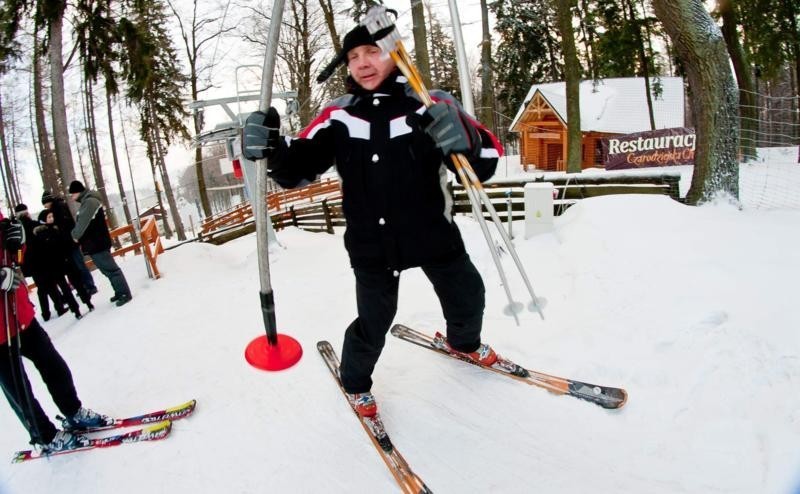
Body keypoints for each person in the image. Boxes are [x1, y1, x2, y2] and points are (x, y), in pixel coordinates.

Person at [243, 25, 503, 418]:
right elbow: (296, 170)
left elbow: (483, 164)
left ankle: (463, 343)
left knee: (468, 297)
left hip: (434, 233)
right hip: (372, 245)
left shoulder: (430, 103)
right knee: (374, 321)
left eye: (371, 51)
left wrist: (462, 139)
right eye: (353, 57)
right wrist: (273, 149)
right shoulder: (340, 115)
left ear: (394, 54)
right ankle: (355, 382)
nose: (362, 63)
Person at [0, 213, 112, 454]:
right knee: (20, 390)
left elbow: (17, 257)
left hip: (21, 317)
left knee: (54, 366)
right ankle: (44, 436)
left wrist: (19, 242)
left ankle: (73, 411)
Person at [68, 181, 132, 307]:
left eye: (72, 194)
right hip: (94, 243)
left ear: (77, 192)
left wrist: (75, 235)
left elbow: (83, 223)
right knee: (107, 270)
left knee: (111, 269)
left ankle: (125, 293)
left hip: (97, 242)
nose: (71, 197)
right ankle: (119, 291)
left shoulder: (89, 202)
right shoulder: (87, 202)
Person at [34, 209, 94, 318]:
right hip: (54, 265)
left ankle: (87, 302)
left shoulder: (57, 228)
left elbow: (66, 242)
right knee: (65, 288)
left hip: (66, 260)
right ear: (43, 220)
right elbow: (41, 253)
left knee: (77, 282)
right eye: (49, 217)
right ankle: (75, 310)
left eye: (52, 216)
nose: (51, 219)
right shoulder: (39, 235)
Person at [14, 204, 67, 320]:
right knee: (50, 284)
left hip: (30, 264)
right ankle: (59, 308)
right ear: (27, 213)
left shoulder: (17, 232)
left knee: (41, 287)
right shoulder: (35, 225)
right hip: (42, 260)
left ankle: (46, 313)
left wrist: (19, 261)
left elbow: (18, 250)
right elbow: (44, 242)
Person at [42, 191, 98, 296]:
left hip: (70, 241)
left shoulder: (58, 208)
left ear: (48, 201)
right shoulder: (58, 207)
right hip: (68, 242)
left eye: (45, 204)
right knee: (76, 267)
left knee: (79, 265)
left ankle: (90, 286)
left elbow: (65, 226)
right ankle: (85, 286)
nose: (45, 206)